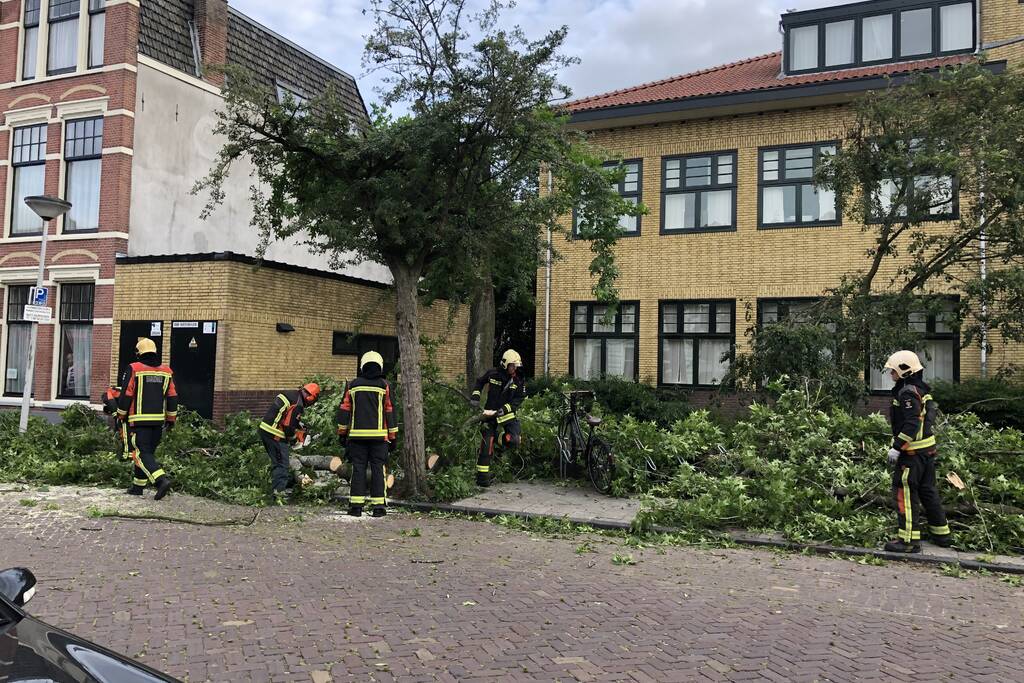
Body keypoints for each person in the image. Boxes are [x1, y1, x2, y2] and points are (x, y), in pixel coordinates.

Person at [882, 350, 953, 553]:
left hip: (912, 455)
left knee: (905, 493)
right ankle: (942, 535)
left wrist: (897, 448)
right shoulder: (921, 390)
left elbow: (912, 423)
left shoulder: (907, 393)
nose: (891, 374)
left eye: (893, 371)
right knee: (928, 491)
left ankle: (908, 541)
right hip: (927, 451)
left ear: (904, 371)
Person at [337, 351, 398, 517]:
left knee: (358, 469)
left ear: (362, 365)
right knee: (378, 469)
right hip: (379, 438)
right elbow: (390, 411)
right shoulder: (384, 385)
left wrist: (342, 433)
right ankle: (379, 508)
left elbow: (344, 410)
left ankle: (356, 507)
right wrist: (393, 437)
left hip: (357, 437)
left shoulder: (353, 385)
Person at [115, 338, 177, 500]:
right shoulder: (166, 372)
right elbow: (172, 397)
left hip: (138, 422)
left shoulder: (134, 368)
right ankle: (137, 487)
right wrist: (171, 420)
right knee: (146, 452)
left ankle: (160, 480)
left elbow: (126, 394)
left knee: (141, 454)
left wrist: (120, 415)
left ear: (138, 353)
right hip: (157, 422)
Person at [470, 349, 527, 487]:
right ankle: (483, 478)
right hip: (489, 415)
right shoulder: (493, 374)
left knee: (514, 440)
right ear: (505, 364)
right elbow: (479, 382)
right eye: (512, 365)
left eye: (516, 366)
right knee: (486, 445)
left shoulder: (518, 380)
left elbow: (519, 399)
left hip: (507, 416)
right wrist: (475, 397)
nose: (514, 369)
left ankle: (497, 437)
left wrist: (505, 409)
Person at [259, 382, 321, 501]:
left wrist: (299, 425)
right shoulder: (298, 404)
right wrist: (294, 441)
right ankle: (278, 496)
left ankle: (276, 492)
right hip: (275, 434)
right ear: (311, 397)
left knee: (277, 463)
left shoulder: (292, 395)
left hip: (266, 429)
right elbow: (288, 427)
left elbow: (287, 417)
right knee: (282, 465)